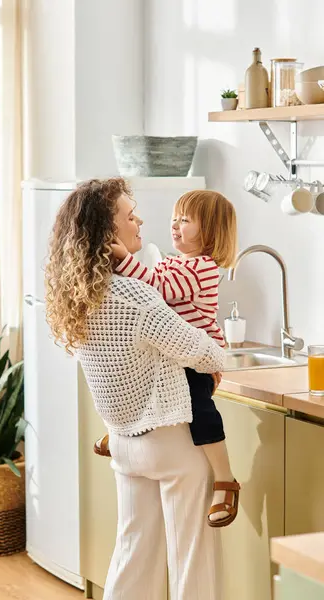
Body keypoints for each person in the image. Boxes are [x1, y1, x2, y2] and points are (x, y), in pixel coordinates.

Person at [45, 178, 225, 600]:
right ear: (110, 233)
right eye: (130, 215)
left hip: (124, 442)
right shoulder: (137, 296)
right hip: (171, 444)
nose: (139, 219)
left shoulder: (81, 295)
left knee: (133, 552)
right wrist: (213, 354)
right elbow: (208, 355)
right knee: (191, 560)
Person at [94, 189, 240, 527]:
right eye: (175, 218)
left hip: (196, 360)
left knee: (201, 412)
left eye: (185, 220)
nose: (175, 226)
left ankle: (225, 479)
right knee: (135, 377)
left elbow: (161, 287)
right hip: (177, 354)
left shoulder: (202, 268)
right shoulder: (175, 261)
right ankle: (125, 429)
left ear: (211, 231)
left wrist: (124, 259)